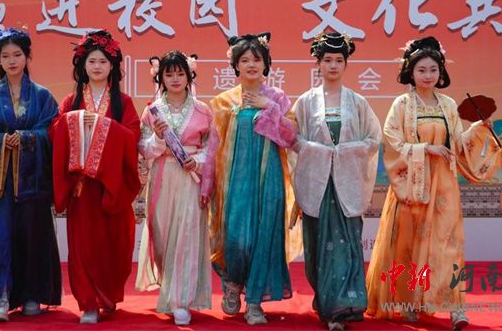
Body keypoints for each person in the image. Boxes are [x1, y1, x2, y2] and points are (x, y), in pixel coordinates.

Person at [365, 36, 502, 330]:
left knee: (448, 245)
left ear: (441, 72)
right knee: (409, 244)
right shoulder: (402, 105)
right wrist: (425, 149)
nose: (428, 75)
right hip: (412, 184)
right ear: (410, 72)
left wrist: (479, 130)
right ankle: (409, 302)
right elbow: (392, 142)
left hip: (443, 185)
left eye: (433, 69)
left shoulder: (448, 105)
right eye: (422, 70)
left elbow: (457, 145)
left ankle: (456, 308)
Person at [0, 28, 61, 321]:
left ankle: (32, 295)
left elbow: (53, 131)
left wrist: (28, 138)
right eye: (5, 56)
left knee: (32, 235)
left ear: (27, 56)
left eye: (17, 54)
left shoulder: (42, 96)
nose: (12, 60)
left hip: (32, 180)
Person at [201, 32, 296, 325]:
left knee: (264, 238)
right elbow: (213, 147)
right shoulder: (223, 102)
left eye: (257, 59)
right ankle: (233, 284)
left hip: (269, 181)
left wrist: (269, 107)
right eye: (244, 60)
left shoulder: (278, 98)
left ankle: (254, 302)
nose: (251, 64)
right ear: (236, 66)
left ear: (266, 64)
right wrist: (207, 185)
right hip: (234, 183)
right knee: (237, 240)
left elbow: (290, 137)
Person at [49, 29, 140, 324]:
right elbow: (54, 132)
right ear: (83, 66)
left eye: (102, 61)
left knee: (114, 246)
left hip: (111, 187)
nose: (97, 66)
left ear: (112, 66)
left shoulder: (123, 102)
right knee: (83, 246)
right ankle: (89, 302)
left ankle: (107, 294)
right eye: (92, 61)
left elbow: (133, 135)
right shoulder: (70, 101)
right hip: (82, 189)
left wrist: (102, 125)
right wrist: (74, 120)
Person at [291, 32, 381, 330]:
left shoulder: (357, 102)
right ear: (318, 63)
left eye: (338, 60)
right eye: (327, 60)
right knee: (320, 245)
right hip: (318, 184)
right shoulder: (306, 102)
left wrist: (345, 151)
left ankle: (343, 307)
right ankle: (328, 303)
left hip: (347, 184)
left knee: (346, 244)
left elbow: (373, 138)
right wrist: (318, 151)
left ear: (346, 64)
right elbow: (294, 140)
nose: (333, 66)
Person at [136, 51, 212, 326]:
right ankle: (169, 288)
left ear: (190, 75)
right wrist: (158, 139)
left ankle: (180, 300)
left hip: (190, 179)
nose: (175, 79)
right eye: (169, 74)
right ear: (161, 78)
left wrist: (198, 161)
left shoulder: (203, 110)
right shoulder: (152, 111)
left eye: (180, 73)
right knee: (163, 236)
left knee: (186, 235)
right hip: (162, 176)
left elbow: (211, 148)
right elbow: (144, 149)